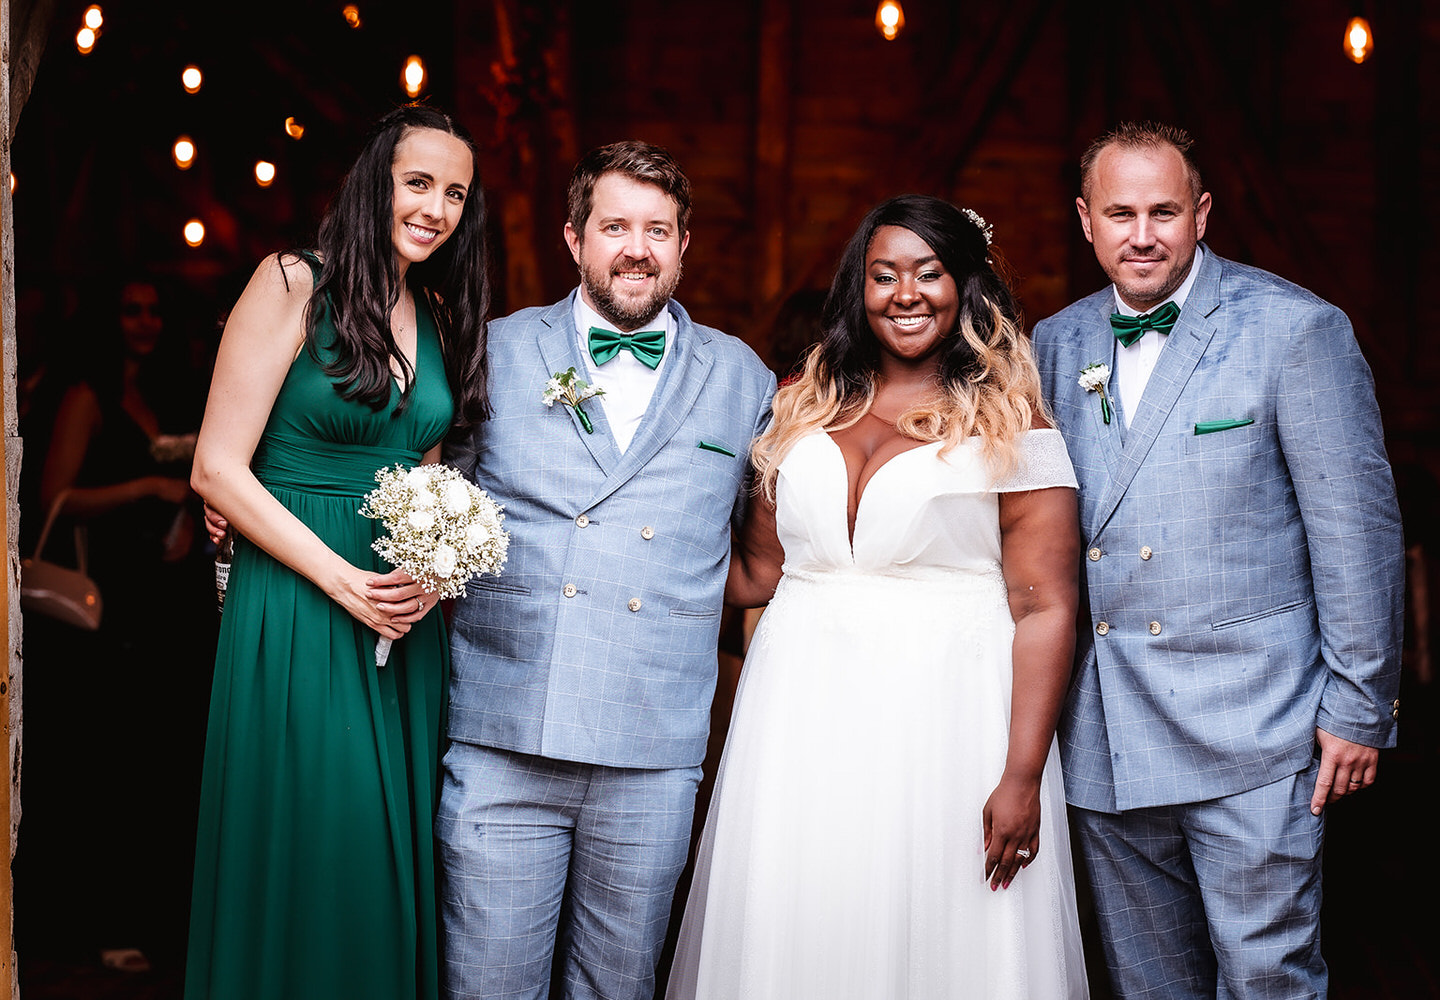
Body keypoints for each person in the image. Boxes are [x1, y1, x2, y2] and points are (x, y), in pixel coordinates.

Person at [666, 194, 1090, 998]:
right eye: (884, 274)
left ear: (965, 285)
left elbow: (1046, 607)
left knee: (936, 927)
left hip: (945, 722)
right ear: (856, 289)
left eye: (929, 274)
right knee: (806, 919)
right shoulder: (801, 407)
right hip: (798, 719)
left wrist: (1022, 774)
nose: (906, 293)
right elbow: (754, 573)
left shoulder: (1012, 419)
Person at [1031, 121, 1404, 998]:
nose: (1144, 234)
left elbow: (1356, 530)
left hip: (1256, 724)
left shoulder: (1295, 330)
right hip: (1107, 733)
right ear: (1086, 220)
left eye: (1164, 210)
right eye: (1120, 213)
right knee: (1149, 984)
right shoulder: (1055, 342)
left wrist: (1358, 703)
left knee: (1265, 978)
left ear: (1202, 213)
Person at [436, 140, 777, 1000]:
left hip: (653, 753)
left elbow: (760, 559)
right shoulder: (495, 351)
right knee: (488, 987)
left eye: (657, 229)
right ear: (573, 239)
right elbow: (422, 497)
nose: (637, 248)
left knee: (617, 990)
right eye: (615, 226)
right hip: (504, 737)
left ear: (684, 244)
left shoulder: (744, 379)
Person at [185, 103, 491, 1000]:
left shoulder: (435, 313)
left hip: (399, 617)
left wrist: (432, 577)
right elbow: (217, 468)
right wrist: (342, 579)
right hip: (299, 601)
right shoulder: (291, 283)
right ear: (376, 183)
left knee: (388, 850)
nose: (437, 207)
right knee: (325, 830)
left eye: (456, 194)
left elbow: (427, 477)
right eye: (420, 182)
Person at [21, 276, 211, 973]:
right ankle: (102, 923)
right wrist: (146, 487)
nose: (145, 321)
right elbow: (54, 497)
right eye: (131, 309)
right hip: (109, 598)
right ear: (109, 319)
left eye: (155, 308)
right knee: (109, 760)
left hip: (167, 595)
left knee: (161, 756)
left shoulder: (164, 393)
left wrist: (187, 512)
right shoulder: (86, 395)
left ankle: (159, 916)